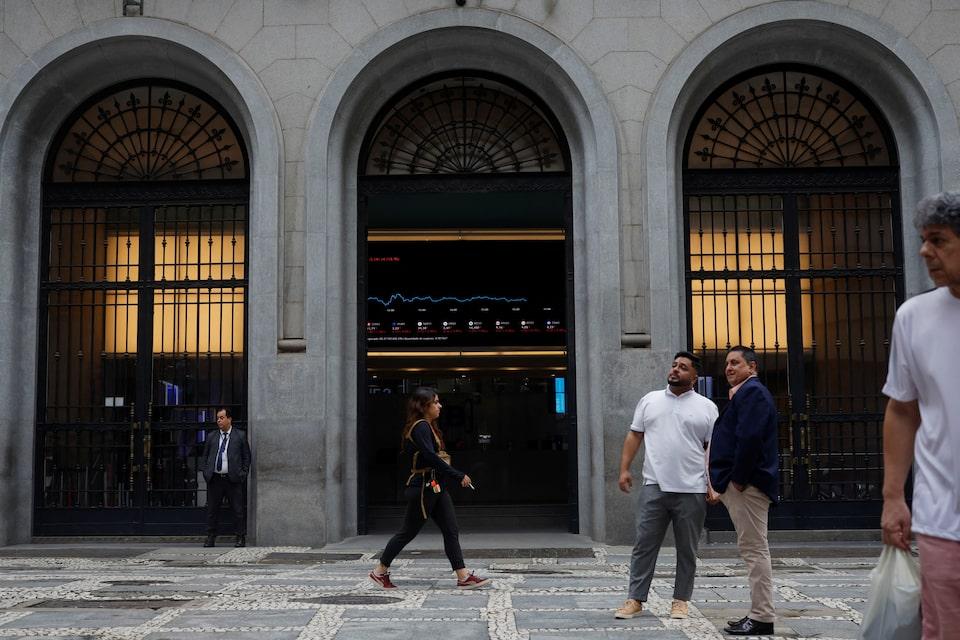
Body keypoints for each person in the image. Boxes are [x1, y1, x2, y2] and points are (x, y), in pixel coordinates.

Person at [880, 191, 960, 639]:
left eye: (938, 240)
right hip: (942, 518)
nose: (925, 251)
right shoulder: (914, 317)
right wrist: (893, 496)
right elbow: (902, 409)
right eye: (923, 239)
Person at [615, 351, 718, 621]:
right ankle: (635, 599)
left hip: (692, 488)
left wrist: (713, 483)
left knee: (687, 549)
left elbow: (712, 450)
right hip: (655, 485)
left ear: (694, 376)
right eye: (674, 365)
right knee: (644, 545)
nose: (675, 370)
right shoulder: (650, 400)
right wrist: (624, 469)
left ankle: (681, 601)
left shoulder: (707, 407)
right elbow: (634, 435)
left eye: (683, 367)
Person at [369, 387, 491, 590]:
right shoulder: (421, 427)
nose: (440, 405)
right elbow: (430, 457)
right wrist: (457, 475)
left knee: (451, 530)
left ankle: (463, 576)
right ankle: (379, 571)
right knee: (407, 532)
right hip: (424, 488)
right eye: (435, 402)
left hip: (435, 486)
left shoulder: (428, 426)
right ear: (424, 406)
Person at [708, 346, 778, 636]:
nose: (729, 368)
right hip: (742, 484)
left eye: (735, 363)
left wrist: (737, 479)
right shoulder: (745, 393)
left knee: (754, 549)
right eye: (727, 363)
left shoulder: (753, 393)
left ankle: (762, 617)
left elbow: (749, 438)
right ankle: (758, 613)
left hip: (747, 485)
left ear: (752, 367)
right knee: (751, 548)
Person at [200, 407, 251, 548]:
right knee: (212, 510)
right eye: (217, 418)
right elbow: (205, 456)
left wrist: (243, 474)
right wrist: (206, 472)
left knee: (237, 510)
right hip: (215, 479)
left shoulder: (240, 435)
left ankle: (240, 537)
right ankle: (210, 537)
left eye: (221, 418)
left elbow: (246, 457)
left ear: (229, 419)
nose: (219, 420)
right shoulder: (212, 436)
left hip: (233, 479)